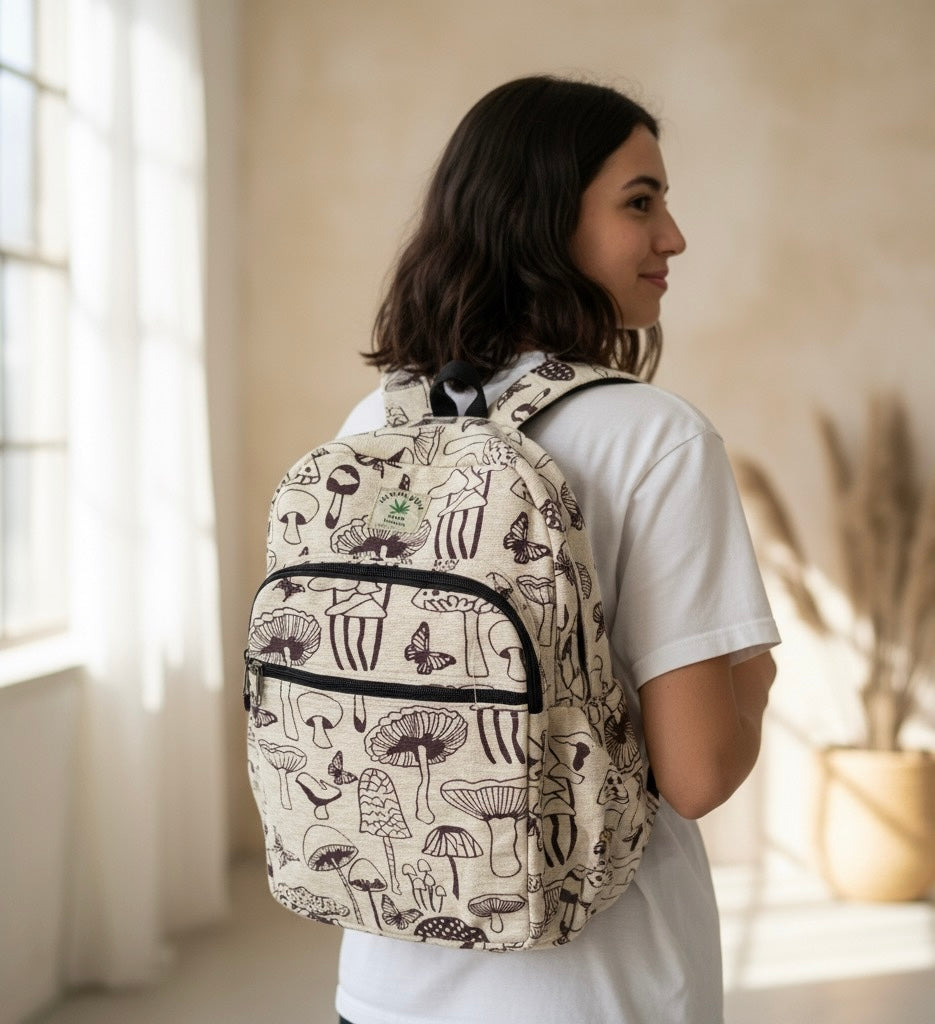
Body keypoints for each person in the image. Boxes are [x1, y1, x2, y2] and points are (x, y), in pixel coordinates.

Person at [332, 75, 780, 1024]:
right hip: (598, 990)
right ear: (538, 219)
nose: (673, 236)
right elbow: (695, 776)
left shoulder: (374, 422)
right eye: (639, 202)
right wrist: (756, 677)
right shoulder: (655, 436)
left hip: (385, 983)